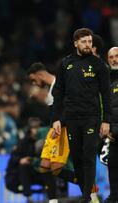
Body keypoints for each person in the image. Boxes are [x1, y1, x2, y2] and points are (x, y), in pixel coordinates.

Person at [52, 28, 111, 203]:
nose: (87, 45)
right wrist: (55, 119)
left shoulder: (99, 65)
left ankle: (86, 198)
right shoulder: (65, 64)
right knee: (76, 158)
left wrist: (106, 120)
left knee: (88, 155)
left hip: (91, 118)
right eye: (84, 42)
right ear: (76, 43)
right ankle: (89, 193)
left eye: (90, 42)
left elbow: (106, 95)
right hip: (71, 118)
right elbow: (58, 93)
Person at [5, 118, 57, 200]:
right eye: (34, 127)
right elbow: (13, 157)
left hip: (43, 170)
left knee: (47, 168)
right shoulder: (23, 142)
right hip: (28, 171)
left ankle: (53, 198)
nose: (37, 130)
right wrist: (21, 160)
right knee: (23, 167)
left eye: (39, 127)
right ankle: (29, 196)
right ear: (30, 129)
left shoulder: (48, 140)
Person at [104, 46, 118, 203]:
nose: (114, 59)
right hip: (113, 135)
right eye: (111, 57)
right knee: (113, 166)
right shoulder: (105, 81)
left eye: (117, 56)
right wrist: (104, 124)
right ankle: (114, 197)